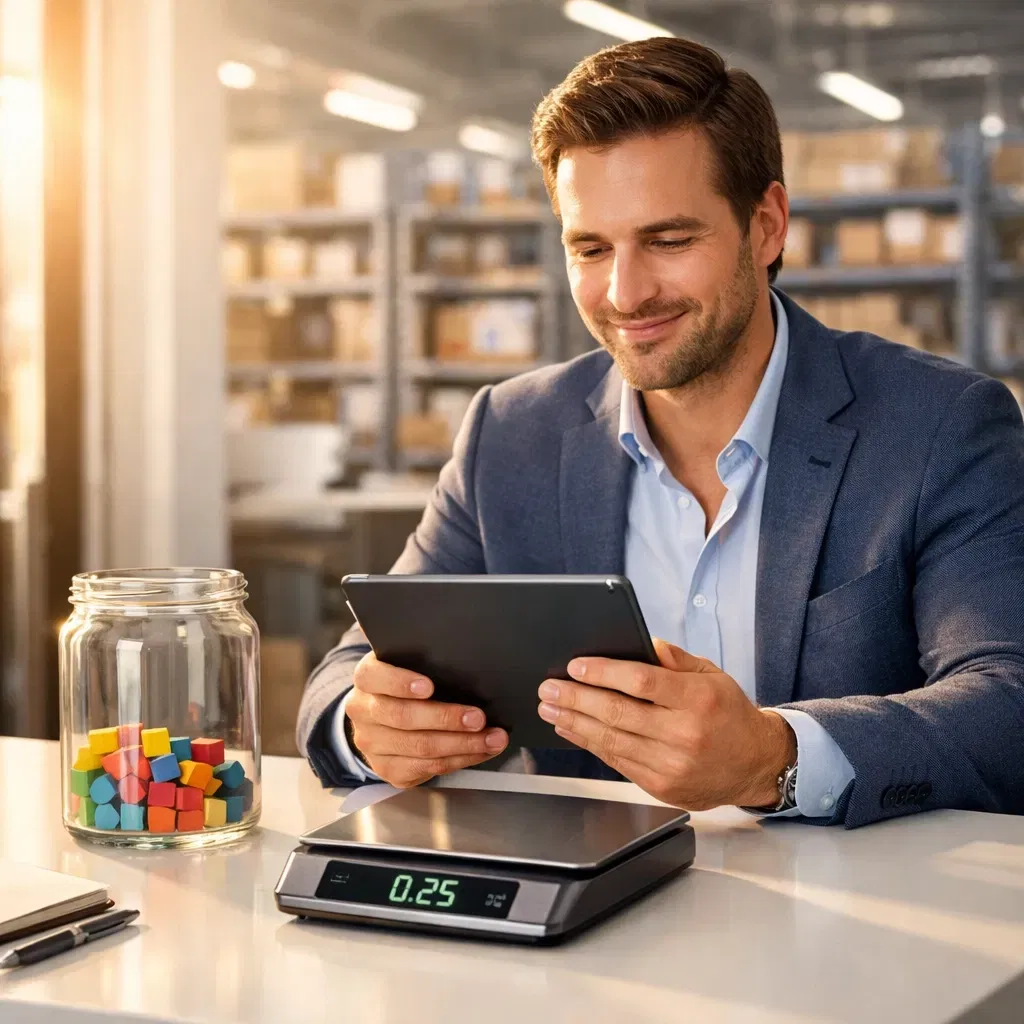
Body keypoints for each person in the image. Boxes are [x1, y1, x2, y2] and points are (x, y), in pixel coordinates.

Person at [295, 37, 1024, 828]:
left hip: (864, 920)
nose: (625, 292)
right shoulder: (511, 434)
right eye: (591, 247)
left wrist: (772, 757)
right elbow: (349, 670)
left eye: (670, 240)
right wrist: (369, 726)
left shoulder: (939, 425)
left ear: (767, 226)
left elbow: (1006, 703)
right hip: (591, 920)